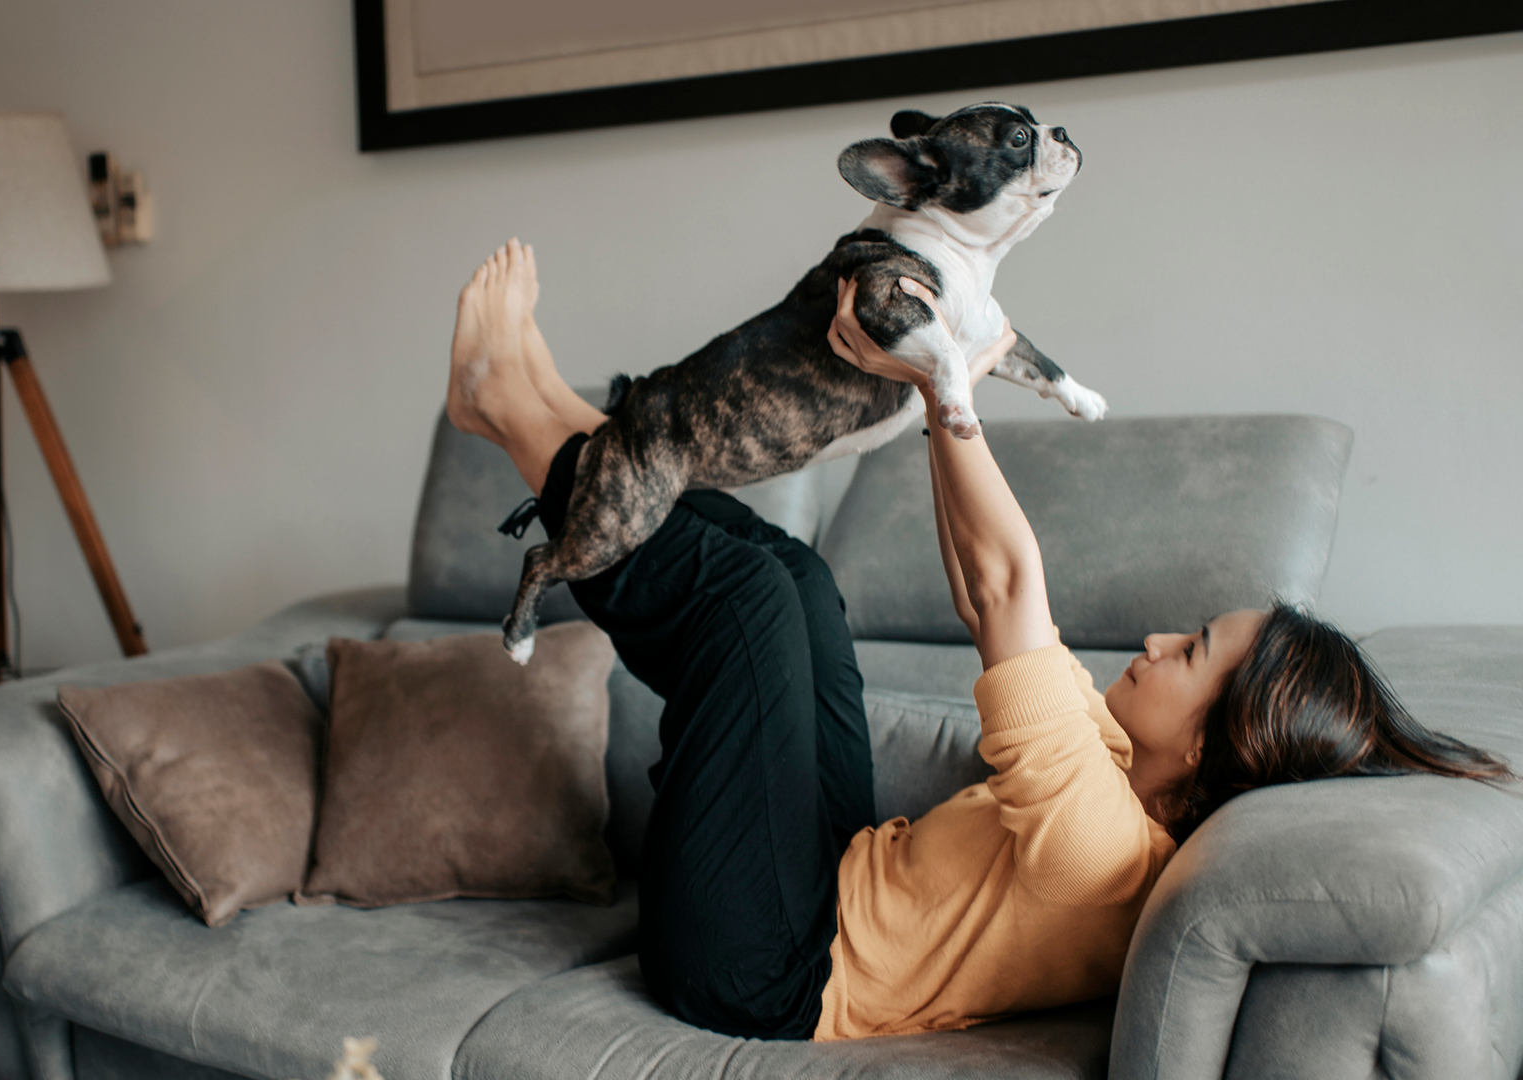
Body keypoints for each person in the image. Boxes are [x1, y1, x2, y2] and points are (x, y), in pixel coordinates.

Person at [444, 239, 1511, 1042]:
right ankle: (541, 412)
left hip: (763, 970)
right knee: (798, 581)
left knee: (746, 610)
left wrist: (944, 387)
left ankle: (517, 415)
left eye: (1190, 653)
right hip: (822, 874)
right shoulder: (1108, 772)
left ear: (1208, 754)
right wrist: (932, 394)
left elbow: (1009, 588)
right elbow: (977, 588)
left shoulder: (1100, 848)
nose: (1154, 638)